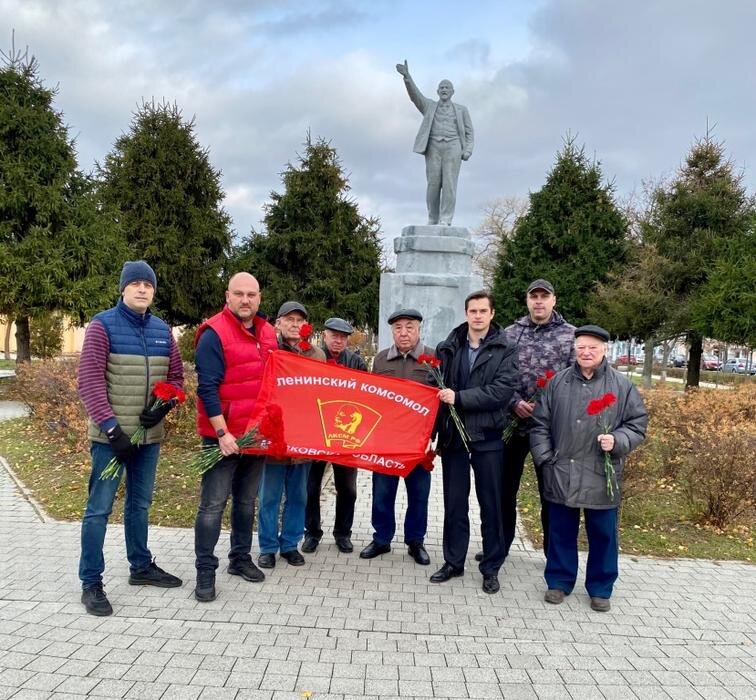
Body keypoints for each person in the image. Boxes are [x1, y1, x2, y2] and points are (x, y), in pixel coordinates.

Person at [78, 260, 184, 616]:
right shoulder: (101, 326)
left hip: (148, 438)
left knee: (140, 506)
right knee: (99, 510)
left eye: (148, 284)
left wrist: (162, 408)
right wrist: (112, 430)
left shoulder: (162, 330)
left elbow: (177, 379)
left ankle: (140, 567)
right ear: (123, 288)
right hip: (112, 440)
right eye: (136, 283)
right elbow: (89, 382)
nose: (142, 289)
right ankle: (91, 581)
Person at [530, 325, 648, 612]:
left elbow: (637, 424)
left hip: (602, 473)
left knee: (604, 535)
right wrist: (546, 459)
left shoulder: (621, 386)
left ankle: (600, 587)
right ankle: (559, 581)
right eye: (581, 347)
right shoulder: (557, 383)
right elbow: (539, 424)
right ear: (574, 349)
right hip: (562, 471)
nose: (586, 352)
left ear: (604, 350)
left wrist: (618, 440)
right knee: (560, 531)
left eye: (592, 347)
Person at [475, 278, 575, 563]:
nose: (539, 302)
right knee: (503, 491)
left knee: (551, 494)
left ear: (554, 300)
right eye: (534, 297)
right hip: (511, 425)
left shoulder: (571, 336)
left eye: (545, 296)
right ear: (527, 301)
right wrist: (514, 402)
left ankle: (553, 554)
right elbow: (497, 375)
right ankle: (499, 547)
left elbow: (572, 381)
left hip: (550, 428)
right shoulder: (509, 334)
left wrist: (542, 406)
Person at [193, 272, 278, 602]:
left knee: (246, 502)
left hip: (255, 435)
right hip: (223, 436)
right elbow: (207, 389)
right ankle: (205, 570)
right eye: (239, 294)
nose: (246, 300)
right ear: (227, 296)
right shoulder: (214, 333)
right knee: (213, 505)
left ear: (259, 297)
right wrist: (222, 433)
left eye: (252, 294)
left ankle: (239, 559)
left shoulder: (267, 332)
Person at [430, 291, 517, 594]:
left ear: (492, 314)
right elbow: (435, 391)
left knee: (490, 505)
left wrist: (460, 397)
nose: (477, 316)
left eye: (483, 310)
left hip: (487, 437)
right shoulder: (449, 347)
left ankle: (491, 567)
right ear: (466, 313)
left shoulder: (506, 349)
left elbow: (501, 391)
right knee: (454, 505)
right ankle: (453, 562)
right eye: (472, 310)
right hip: (454, 438)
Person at [360, 309, 435, 565]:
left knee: (419, 495)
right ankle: (381, 539)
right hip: (386, 442)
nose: (403, 332)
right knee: (382, 493)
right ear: (392, 331)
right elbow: (371, 397)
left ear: (418, 329)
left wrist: (432, 437)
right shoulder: (381, 360)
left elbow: (439, 400)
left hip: (418, 444)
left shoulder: (432, 359)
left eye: (409, 327)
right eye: (398, 328)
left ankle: (416, 541)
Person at [258, 302, 326, 569]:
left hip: (303, 436)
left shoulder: (316, 355)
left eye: (300, 319)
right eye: (289, 319)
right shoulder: (269, 351)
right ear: (278, 323)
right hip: (274, 434)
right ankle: (267, 546)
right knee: (269, 496)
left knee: (298, 495)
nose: (295, 324)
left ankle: (289, 544)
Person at [302, 317, 367, 555]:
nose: (338, 340)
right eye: (334, 335)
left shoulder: (356, 362)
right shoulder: (313, 357)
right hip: (315, 433)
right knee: (311, 487)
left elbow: (366, 396)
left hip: (345, 434)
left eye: (343, 336)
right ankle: (311, 532)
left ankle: (342, 533)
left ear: (347, 339)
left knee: (347, 488)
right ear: (325, 335)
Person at [396, 59, 474, 226]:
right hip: (433, 147)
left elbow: (469, 132)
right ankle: (433, 218)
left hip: (454, 147)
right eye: (442, 88)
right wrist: (407, 77)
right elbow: (415, 97)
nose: (444, 90)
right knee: (433, 184)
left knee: (449, 184)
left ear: (453, 92)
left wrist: (467, 150)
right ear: (438, 91)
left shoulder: (462, 110)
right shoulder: (429, 106)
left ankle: (445, 219)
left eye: (447, 88)